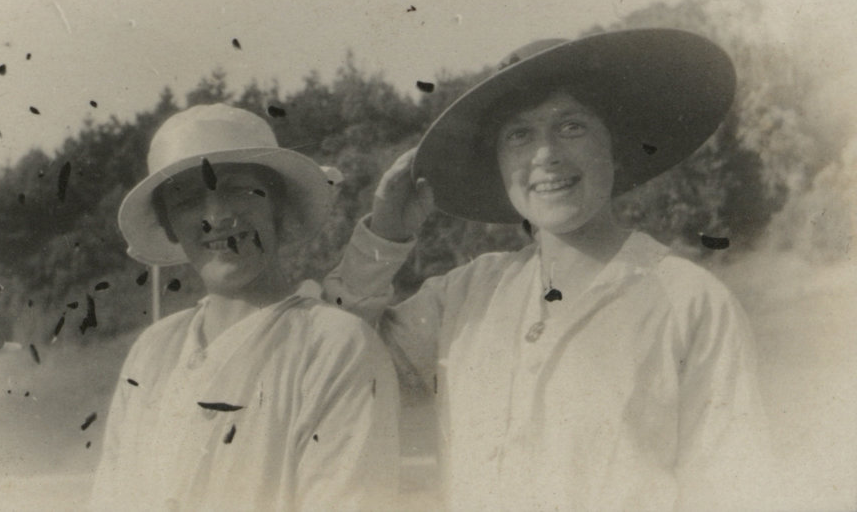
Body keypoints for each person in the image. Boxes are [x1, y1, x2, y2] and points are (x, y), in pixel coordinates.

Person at [325, 29, 772, 511]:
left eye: (572, 126)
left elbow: (734, 484)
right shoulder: (467, 295)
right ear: (499, 164)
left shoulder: (690, 303)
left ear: (615, 147)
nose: (546, 155)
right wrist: (384, 237)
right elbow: (337, 365)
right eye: (519, 135)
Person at [91, 104, 399, 511]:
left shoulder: (333, 346)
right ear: (169, 225)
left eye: (239, 189)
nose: (216, 216)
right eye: (187, 199)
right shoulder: (153, 351)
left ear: (277, 204)